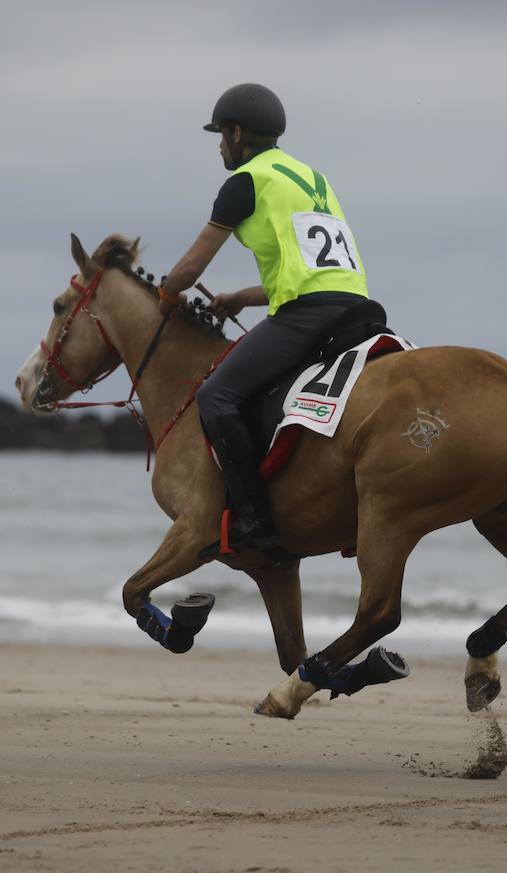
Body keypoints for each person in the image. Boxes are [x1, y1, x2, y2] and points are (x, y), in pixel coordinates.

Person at [158, 83, 370, 554]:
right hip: (356, 307)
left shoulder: (246, 180)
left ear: (237, 132)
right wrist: (240, 297)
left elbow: (189, 270)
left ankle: (255, 519)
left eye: (220, 135)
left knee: (216, 396)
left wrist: (165, 292)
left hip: (310, 315)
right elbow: (310, 271)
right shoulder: (311, 177)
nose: (219, 145)